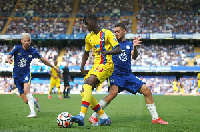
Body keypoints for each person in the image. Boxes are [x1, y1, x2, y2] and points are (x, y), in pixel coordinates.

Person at [89, 23, 168, 124]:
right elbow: (94, 50)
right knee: (113, 93)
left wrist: (135, 47)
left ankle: (155, 118)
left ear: (124, 31)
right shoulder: (110, 43)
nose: (116, 34)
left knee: (147, 91)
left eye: (118, 31)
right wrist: (95, 48)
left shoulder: (129, 44)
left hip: (127, 75)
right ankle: (94, 116)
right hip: (115, 74)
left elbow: (134, 56)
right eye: (115, 32)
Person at [71, 14, 122, 126]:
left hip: (107, 64)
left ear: (93, 20)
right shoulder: (89, 37)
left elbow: (118, 49)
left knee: (88, 83)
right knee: (84, 91)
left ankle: (81, 115)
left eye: (87, 22)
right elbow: (86, 52)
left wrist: (107, 52)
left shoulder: (107, 33)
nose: (86, 25)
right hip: (96, 65)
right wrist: (82, 66)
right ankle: (104, 117)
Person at [7, 33, 60, 118]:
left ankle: (33, 112)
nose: (27, 42)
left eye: (28, 40)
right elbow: (9, 56)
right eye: (25, 41)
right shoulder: (17, 48)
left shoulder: (33, 51)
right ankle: (35, 101)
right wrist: (8, 59)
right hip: (16, 75)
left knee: (27, 90)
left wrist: (53, 67)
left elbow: (43, 60)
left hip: (26, 73)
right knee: (25, 100)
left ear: (30, 41)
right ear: (21, 41)